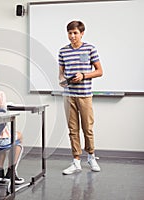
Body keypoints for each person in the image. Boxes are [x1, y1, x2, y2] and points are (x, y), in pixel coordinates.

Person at [58, 20, 103, 175]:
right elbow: (61, 74)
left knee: (87, 128)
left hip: (85, 95)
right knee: (73, 129)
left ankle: (91, 157)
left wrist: (83, 75)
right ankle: (76, 161)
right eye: (70, 33)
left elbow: (99, 71)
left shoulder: (90, 49)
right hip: (69, 95)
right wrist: (62, 81)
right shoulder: (63, 51)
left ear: (82, 33)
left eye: (75, 33)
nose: (72, 36)